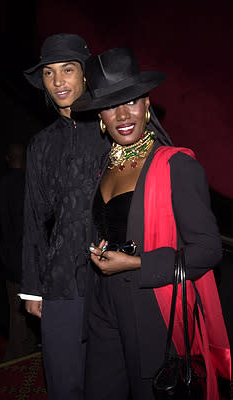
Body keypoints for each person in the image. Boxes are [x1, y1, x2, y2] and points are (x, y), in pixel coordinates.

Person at [72, 47, 231, 400]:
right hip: (102, 305)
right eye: (112, 105)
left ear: (146, 103)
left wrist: (138, 263)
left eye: (131, 101)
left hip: (151, 310)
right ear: (100, 114)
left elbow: (208, 249)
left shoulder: (177, 166)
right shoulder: (105, 167)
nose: (123, 114)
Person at [19, 34, 108, 400]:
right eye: (50, 73)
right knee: (65, 385)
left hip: (113, 278)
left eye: (67, 70)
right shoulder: (41, 144)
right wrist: (32, 287)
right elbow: (34, 218)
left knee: (111, 383)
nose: (58, 82)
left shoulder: (112, 125)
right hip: (60, 286)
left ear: (85, 75)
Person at [0, 143, 38, 361]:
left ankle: (23, 351)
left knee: (18, 309)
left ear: (7, 158)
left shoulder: (1, 185)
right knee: (23, 312)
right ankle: (18, 357)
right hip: (25, 257)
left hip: (9, 256)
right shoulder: (28, 183)